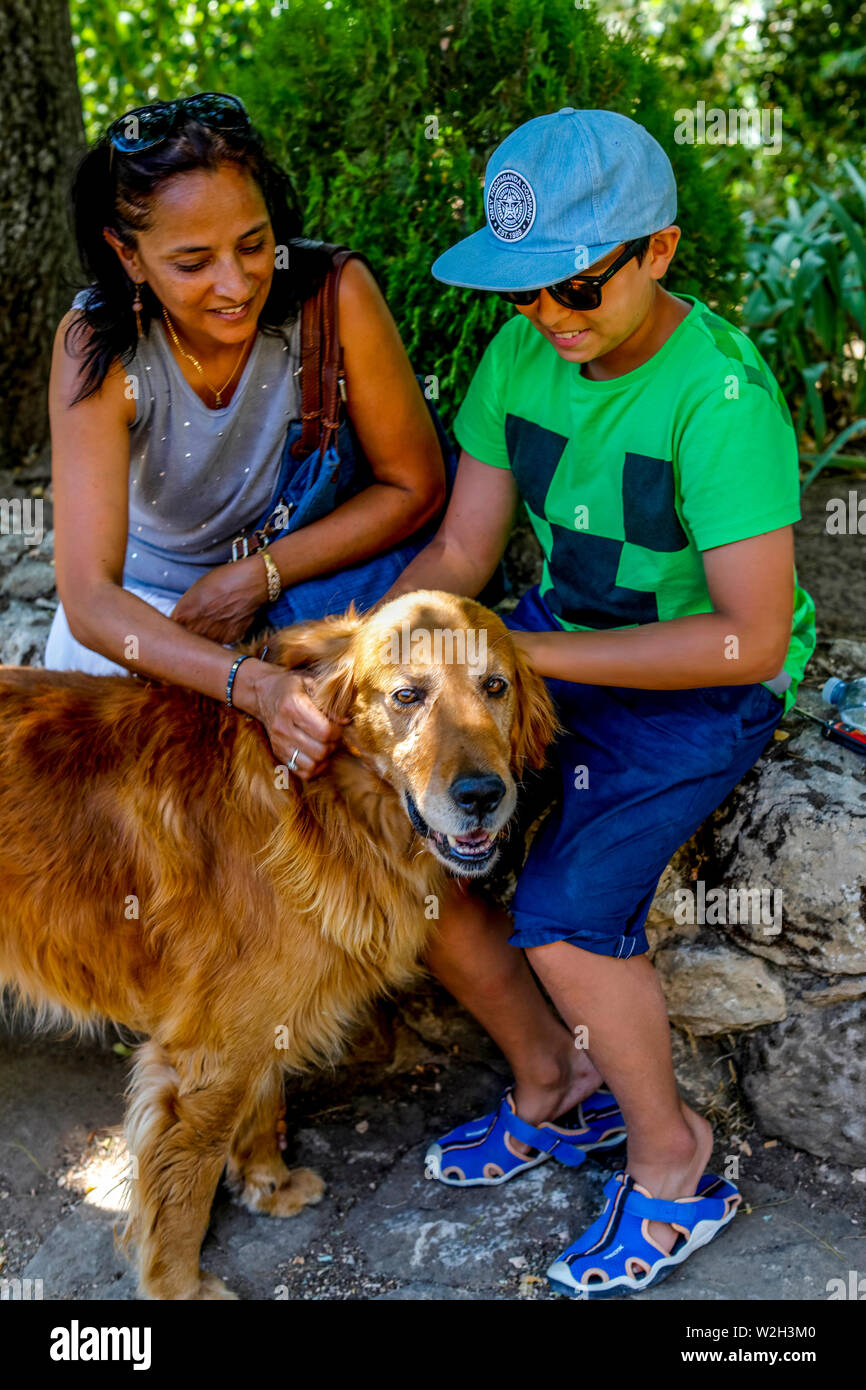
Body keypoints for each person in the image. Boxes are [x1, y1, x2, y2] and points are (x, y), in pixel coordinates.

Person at [375, 108, 816, 1297]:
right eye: (522, 294)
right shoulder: (523, 356)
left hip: (699, 688)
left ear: (657, 252)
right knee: (407, 843)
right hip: (555, 650)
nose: (548, 319)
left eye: (575, 286)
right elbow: (465, 546)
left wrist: (530, 659)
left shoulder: (718, 397)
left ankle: (676, 1161)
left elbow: (748, 635)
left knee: (565, 911)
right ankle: (552, 1088)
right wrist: (380, 648)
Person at [45, 92, 446, 775]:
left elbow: (417, 486)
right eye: (193, 263)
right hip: (148, 622)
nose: (235, 284)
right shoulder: (98, 346)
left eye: (254, 244)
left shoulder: (334, 294)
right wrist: (249, 682)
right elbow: (89, 598)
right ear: (128, 254)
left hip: (298, 588)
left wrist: (257, 579)